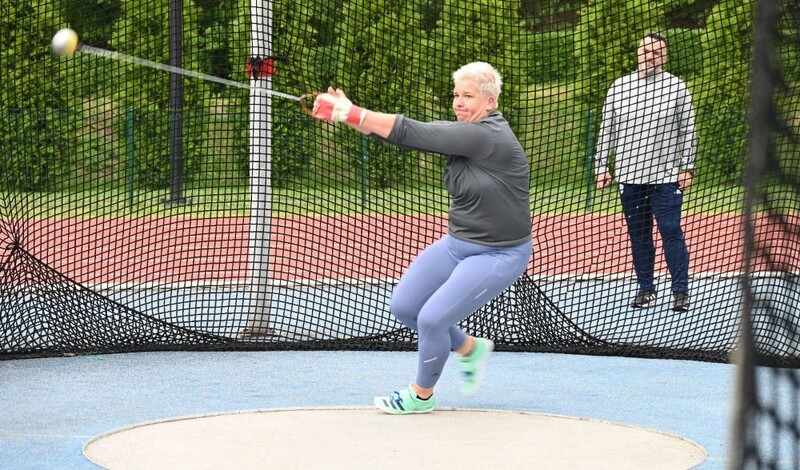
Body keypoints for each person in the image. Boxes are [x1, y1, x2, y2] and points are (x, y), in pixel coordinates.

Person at [311, 62, 532, 414]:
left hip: (499, 255)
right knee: (405, 307)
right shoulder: (468, 129)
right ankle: (469, 348)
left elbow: (415, 133)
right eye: (456, 95)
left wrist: (353, 112)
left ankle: (421, 394)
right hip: (458, 245)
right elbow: (406, 134)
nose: (459, 102)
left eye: (468, 96)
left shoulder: (485, 135)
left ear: (490, 102)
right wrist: (350, 116)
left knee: (431, 319)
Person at [595, 32, 697, 312]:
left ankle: (680, 292)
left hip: (665, 179)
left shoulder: (677, 87)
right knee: (639, 235)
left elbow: (688, 131)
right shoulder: (619, 87)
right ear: (637, 52)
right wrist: (602, 166)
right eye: (644, 50)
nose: (648, 55)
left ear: (664, 57)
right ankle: (646, 291)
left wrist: (688, 166)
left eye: (655, 52)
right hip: (629, 178)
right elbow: (607, 131)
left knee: (670, 230)